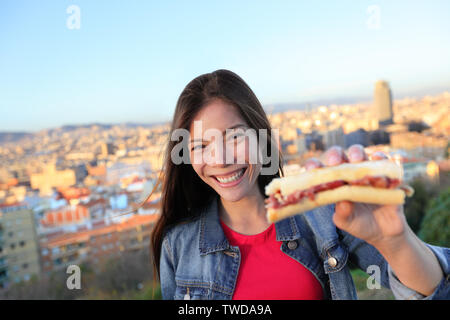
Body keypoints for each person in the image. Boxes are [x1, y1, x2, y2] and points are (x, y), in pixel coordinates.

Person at [149, 69, 449, 300]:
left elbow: (432, 289)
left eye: (235, 137)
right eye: (201, 145)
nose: (221, 159)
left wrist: (395, 240)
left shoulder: (322, 217)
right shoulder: (178, 245)